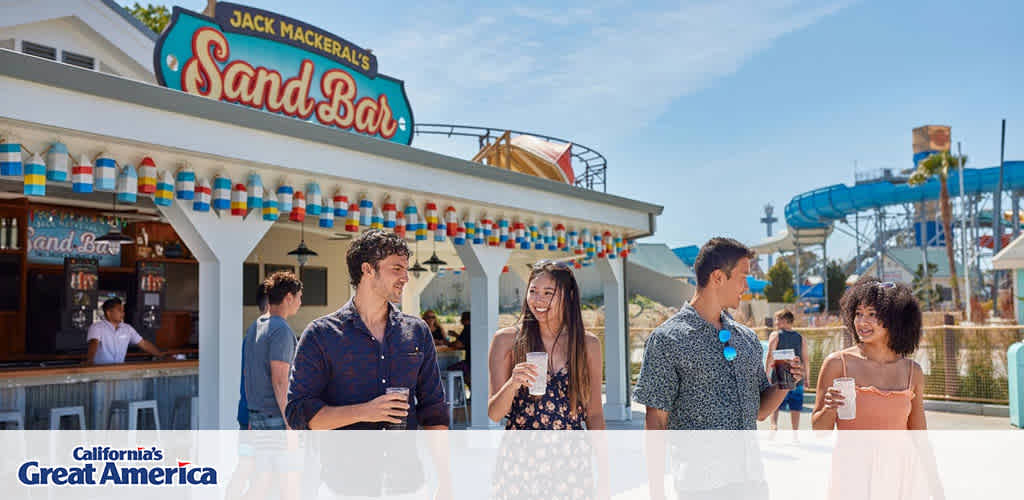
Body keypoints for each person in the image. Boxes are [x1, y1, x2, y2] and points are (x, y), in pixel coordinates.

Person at [286, 229, 449, 430]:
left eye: (405, 269)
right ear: (368, 269)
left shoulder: (417, 332)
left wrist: (442, 462)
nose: (405, 277)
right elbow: (298, 413)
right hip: (343, 462)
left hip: (405, 461)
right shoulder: (321, 335)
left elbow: (434, 411)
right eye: (397, 268)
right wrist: (365, 411)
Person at [633, 237, 804, 430]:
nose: (746, 287)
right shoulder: (667, 340)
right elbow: (656, 421)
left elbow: (761, 411)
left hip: (749, 461)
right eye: (743, 277)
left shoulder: (747, 339)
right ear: (718, 278)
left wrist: (786, 382)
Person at [487, 259, 605, 430]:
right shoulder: (505, 340)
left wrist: (603, 456)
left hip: (573, 452)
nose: (538, 300)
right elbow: (494, 414)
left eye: (548, 293)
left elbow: (594, 414)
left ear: (568, 296)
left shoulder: (587, 344)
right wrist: (512, 384)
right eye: (533, 291)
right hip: (521, 452)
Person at [812, 278, 927, 430]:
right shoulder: (837, 364)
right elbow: (819, 431)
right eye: (858, 313)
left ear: (896, 320)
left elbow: (919, 436)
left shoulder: (913, 371)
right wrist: (829, 408)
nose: (862, 322)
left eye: (872, 314)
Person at [243, 271, 302, 430]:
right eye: (299, 297)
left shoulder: (256, 325)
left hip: (256, 416)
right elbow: (280, 381)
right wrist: (290, 423)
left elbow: (250, 374)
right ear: (289, 297)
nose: (300, 302)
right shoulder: (281, 330)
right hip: (276, 419)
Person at [764, 309, 809, 431]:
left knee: (775, 403)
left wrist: (766, 373)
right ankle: (795, 431)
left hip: (779, 373)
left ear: (783, 320)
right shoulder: (801, 337)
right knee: (796, 405)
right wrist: (806, 378)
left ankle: (774, 425)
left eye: (777, 319)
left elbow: (770, 355)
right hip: (796, 375)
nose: (775, 322)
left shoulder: (776, 335)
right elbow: (806, 358)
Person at [85, 298, 164, 365]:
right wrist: (89, 361)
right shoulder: (97, 327)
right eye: (119, 310)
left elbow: (143, 343)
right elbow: (94, 343)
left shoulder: (127, 328)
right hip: (100, 370)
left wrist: (159, 355)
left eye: (123, 310)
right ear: (108, 313)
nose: (123, 313)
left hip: (120, 369)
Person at [238, 282, 270, 431]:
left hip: (249, 417)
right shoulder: (267, 334)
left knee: (246, 453)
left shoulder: (252, 332)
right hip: (257, 421)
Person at [447, 311, 472, 388]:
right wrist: (456, 335)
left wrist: (446, 342)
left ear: (464, 320)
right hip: (474, 364)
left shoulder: (467, 328)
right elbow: (466, 342)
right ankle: (471, 389)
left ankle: (470, 387)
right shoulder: (474, 328)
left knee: (450, 369)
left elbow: (458, 345)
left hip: (469, 364)